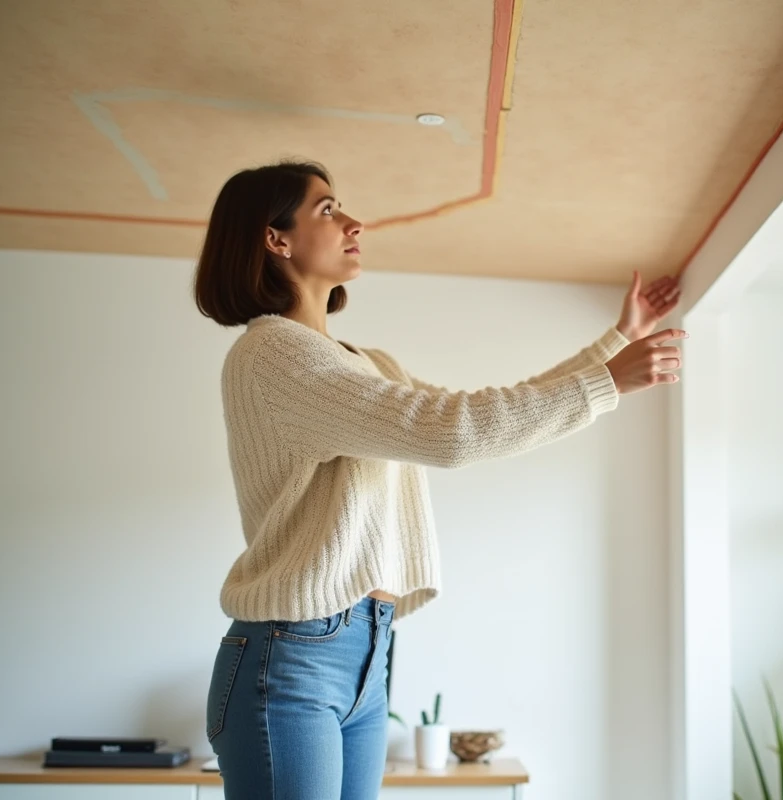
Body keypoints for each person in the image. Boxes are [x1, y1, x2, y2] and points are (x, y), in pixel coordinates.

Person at [193, 160, 686, 800]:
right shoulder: (271, 354)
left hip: (365, 656)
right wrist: (609, 380)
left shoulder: (365, 364)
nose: (353, 221)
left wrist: (618, 343)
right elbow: (450, 432)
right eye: (327, 209)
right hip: (291, 663)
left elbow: (478, 409)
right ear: (275, 239)